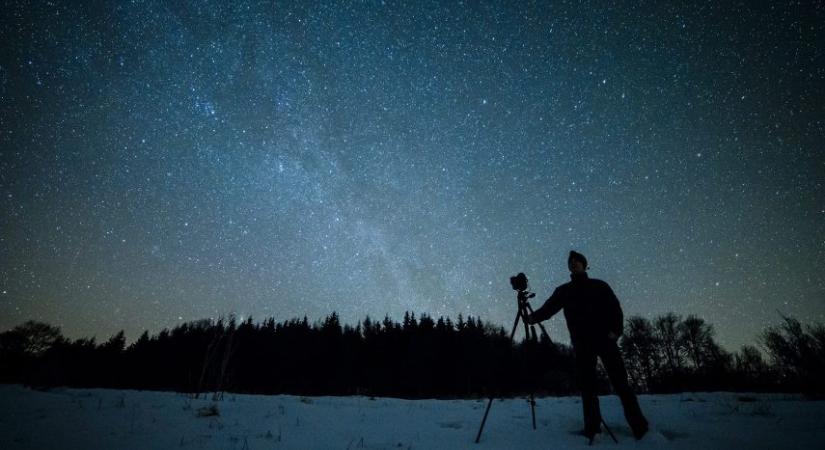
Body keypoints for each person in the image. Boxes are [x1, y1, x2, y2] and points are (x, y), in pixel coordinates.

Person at [525, 251, 648, 443]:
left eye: (577, 262)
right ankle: (592, 428)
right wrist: (532, 318)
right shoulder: (564, 290)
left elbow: (615, 309)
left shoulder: (599, 286)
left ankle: (640, 427)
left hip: (605, 341)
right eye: (571, 262)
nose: (574, 264)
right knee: (588, 388)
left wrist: (615, 332)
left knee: (621, 384)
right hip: (582, 345)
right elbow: (549, 309)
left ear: (584, 264)